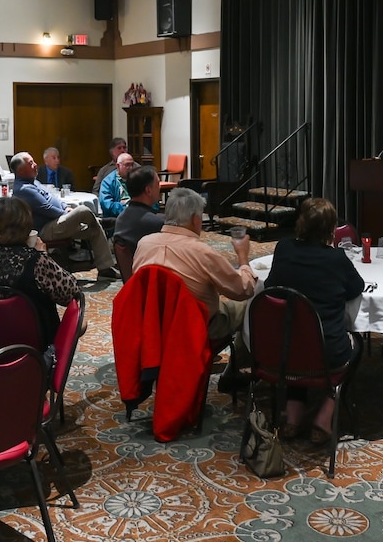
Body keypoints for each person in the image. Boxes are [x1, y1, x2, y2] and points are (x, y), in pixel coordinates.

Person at [133, 187, 256, 389]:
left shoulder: (144, 244)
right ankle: (234, 374)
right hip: (196, 327)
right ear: (195, 219)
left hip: (153, 323)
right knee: (252, 305)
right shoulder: (202, 252)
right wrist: (243, 257)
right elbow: (243, 289)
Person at [264, 198, 364, 443]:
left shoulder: (283, 248)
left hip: (281, 351)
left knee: (298, 330)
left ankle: (294, 415)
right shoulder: (336, 259)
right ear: (331, 229)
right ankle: (325, 415)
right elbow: (357, 288)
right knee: (357, 344)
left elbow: (270, 288)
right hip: (326, 353)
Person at [0, 196, 85, 345]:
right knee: (81, 323)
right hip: (31, 349)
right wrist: (43, 254)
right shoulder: (35, 260)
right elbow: (72, 293)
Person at [9, 151, 120, 281]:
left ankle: (105, 269)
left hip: (58, 223)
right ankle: (99, 220)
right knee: (83, 210)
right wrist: (67, 213)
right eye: (31, 163)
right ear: (21, 170)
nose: (35, 165)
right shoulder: (23, 189)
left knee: (93, 228)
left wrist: (65, 207)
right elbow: (47, 208)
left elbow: (53, 198)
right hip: (45, 230)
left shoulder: (34, 182)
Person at [113, 165, 164, 252]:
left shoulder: (121, 219)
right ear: (148, 190)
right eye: (158, 184)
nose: (160, 187)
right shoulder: (157, 223)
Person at [99, 153, 135, 218]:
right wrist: (126, 207)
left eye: (132, 164)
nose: (131, 168)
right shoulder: (108, 182)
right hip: (116, 219)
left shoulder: (137, 178)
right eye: (127, 165)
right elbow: (107, 206)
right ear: (118, 166)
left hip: (138, 215)